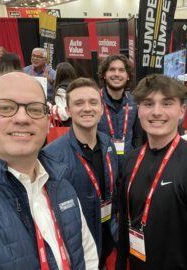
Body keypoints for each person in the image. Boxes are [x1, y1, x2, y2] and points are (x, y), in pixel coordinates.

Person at [0, 72, 98, 269]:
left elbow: (87, 256)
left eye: (34, 109)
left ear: (47, 121)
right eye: (6, 107)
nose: (22, 118)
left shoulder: (62, 184)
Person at [116, 74, 187, 270]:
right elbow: (125, 221)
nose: (156, 112)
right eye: (148, 104)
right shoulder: (131, 161)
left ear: (182, 110)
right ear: (138, 109)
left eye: (167, 104)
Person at [44, 77, 119, 269]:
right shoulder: (51, 156)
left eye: (93, 102)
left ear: (101, 109)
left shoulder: (108, 143)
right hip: (78, 244)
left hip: (108, 232)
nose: (87, 108)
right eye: (79, 103)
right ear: (68, 111)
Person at [98, 54, 143, 164]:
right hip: (103, 164)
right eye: (112, 69)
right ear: (104, 74)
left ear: (128, 76)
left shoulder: (134, 102)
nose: (116, 74)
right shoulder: (94, 102)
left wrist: (135, 157)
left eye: (121, 70)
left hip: (128, 163)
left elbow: (138, 136)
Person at [48, 62, 78, 126]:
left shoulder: (61, 90)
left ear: (59, 74)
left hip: (65, 127)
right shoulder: (77, 87)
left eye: (56, 71)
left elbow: (63, 114)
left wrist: (48, 106)